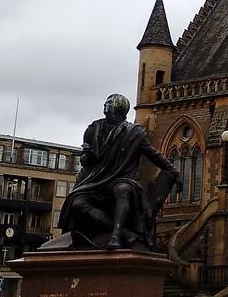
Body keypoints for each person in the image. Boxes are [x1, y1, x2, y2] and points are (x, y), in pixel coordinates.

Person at [58, 93, 178, 249]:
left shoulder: (134, 132)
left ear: (119, 108)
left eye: (108, 103)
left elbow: (153, 154)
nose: (104, 105)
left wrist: (172, 170)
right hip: (96, 180)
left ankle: (115, 235)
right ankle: (124, 233)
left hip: (123, 177)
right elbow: (86, 163)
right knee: (77, 203)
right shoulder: (93, 129)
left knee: (123, 189)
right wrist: (89, 157)